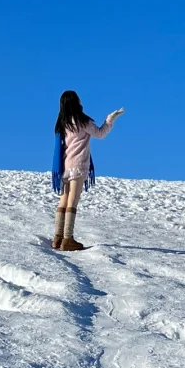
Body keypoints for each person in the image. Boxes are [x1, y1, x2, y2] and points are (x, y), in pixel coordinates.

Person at [51, 91, 124, 251]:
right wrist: (110, 120)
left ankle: (57, 237)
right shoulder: (82, 121)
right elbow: (100, 133)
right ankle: (68, 239)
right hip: (78, 166)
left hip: (65, 167)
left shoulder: (62, 123)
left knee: (63, 199)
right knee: (73, 201)